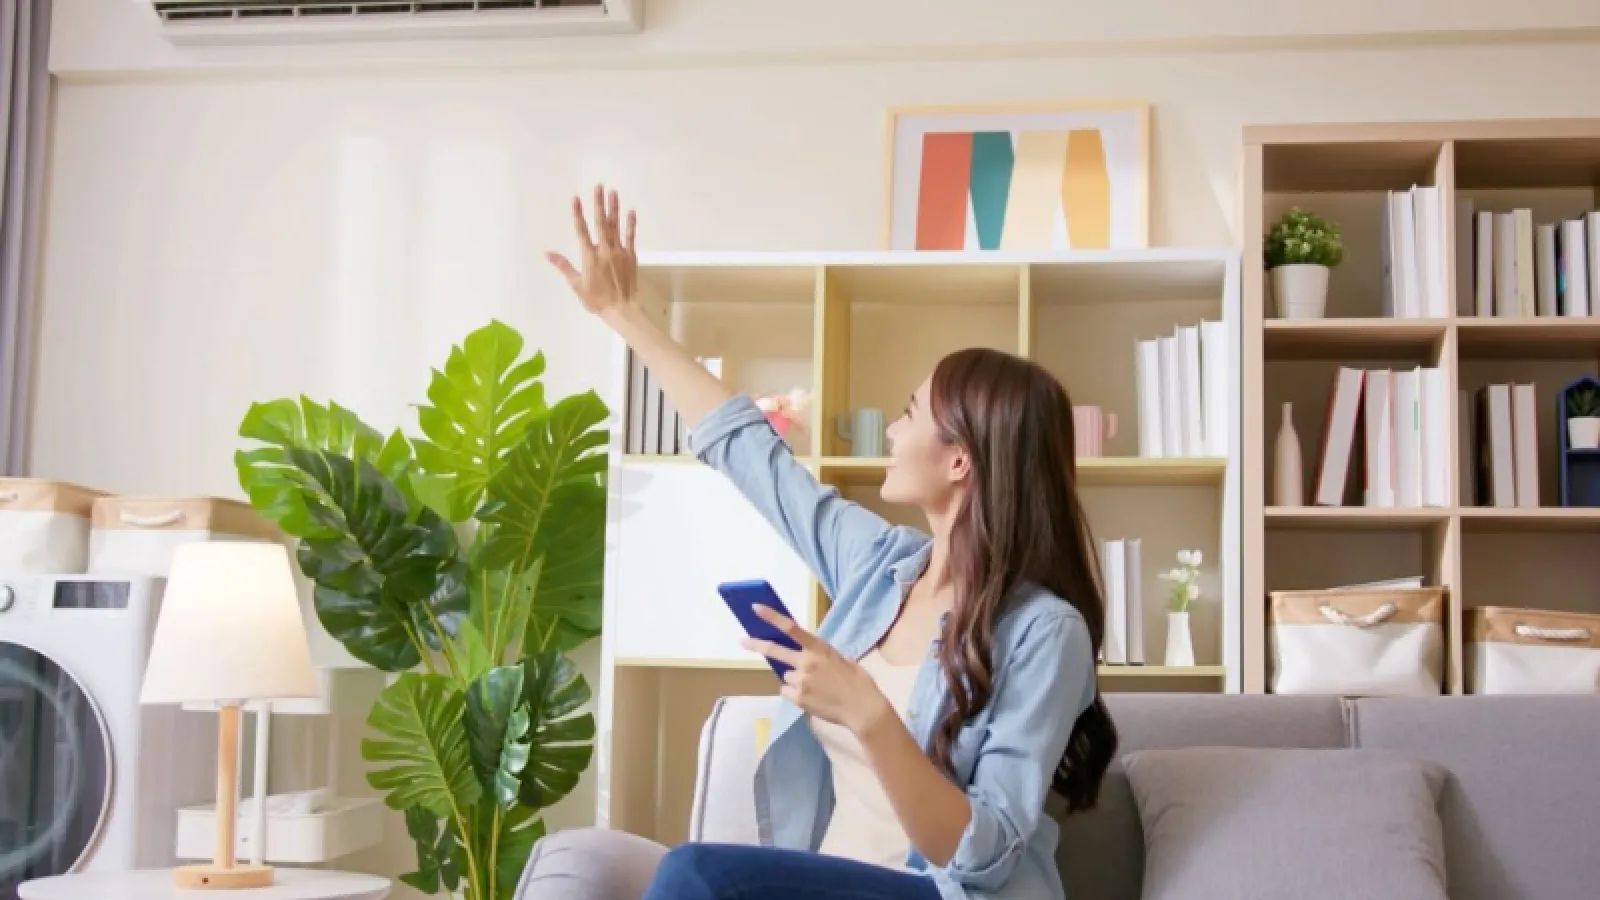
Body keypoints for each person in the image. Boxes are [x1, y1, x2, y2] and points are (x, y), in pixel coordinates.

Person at [538, 186, 1118, 900]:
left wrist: (866, 711)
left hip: (944, 896)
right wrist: (622, 315)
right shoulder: (882, 567)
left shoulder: (1043, 633)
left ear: (960, 461)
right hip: (838, 882)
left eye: (909, 414)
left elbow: (985, 854)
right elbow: (754, 455)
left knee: (694, 872)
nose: (894, 432)